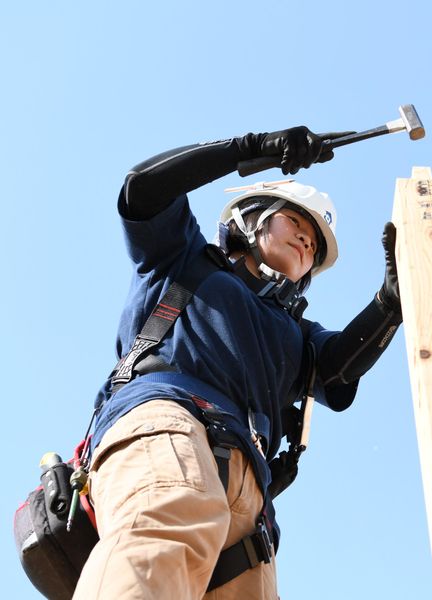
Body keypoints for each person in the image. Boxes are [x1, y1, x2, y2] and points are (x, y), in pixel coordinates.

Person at [73, 126, 403, 599]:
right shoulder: (183, 258)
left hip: (248, 487)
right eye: (297, 225)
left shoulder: (292, 333)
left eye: (314, 246)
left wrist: (390, 305)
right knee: (164, 536)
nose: (307, 244)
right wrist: (254, 149)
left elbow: (338, 366)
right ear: (252, 219)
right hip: (170, 421)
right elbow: (142, 187)